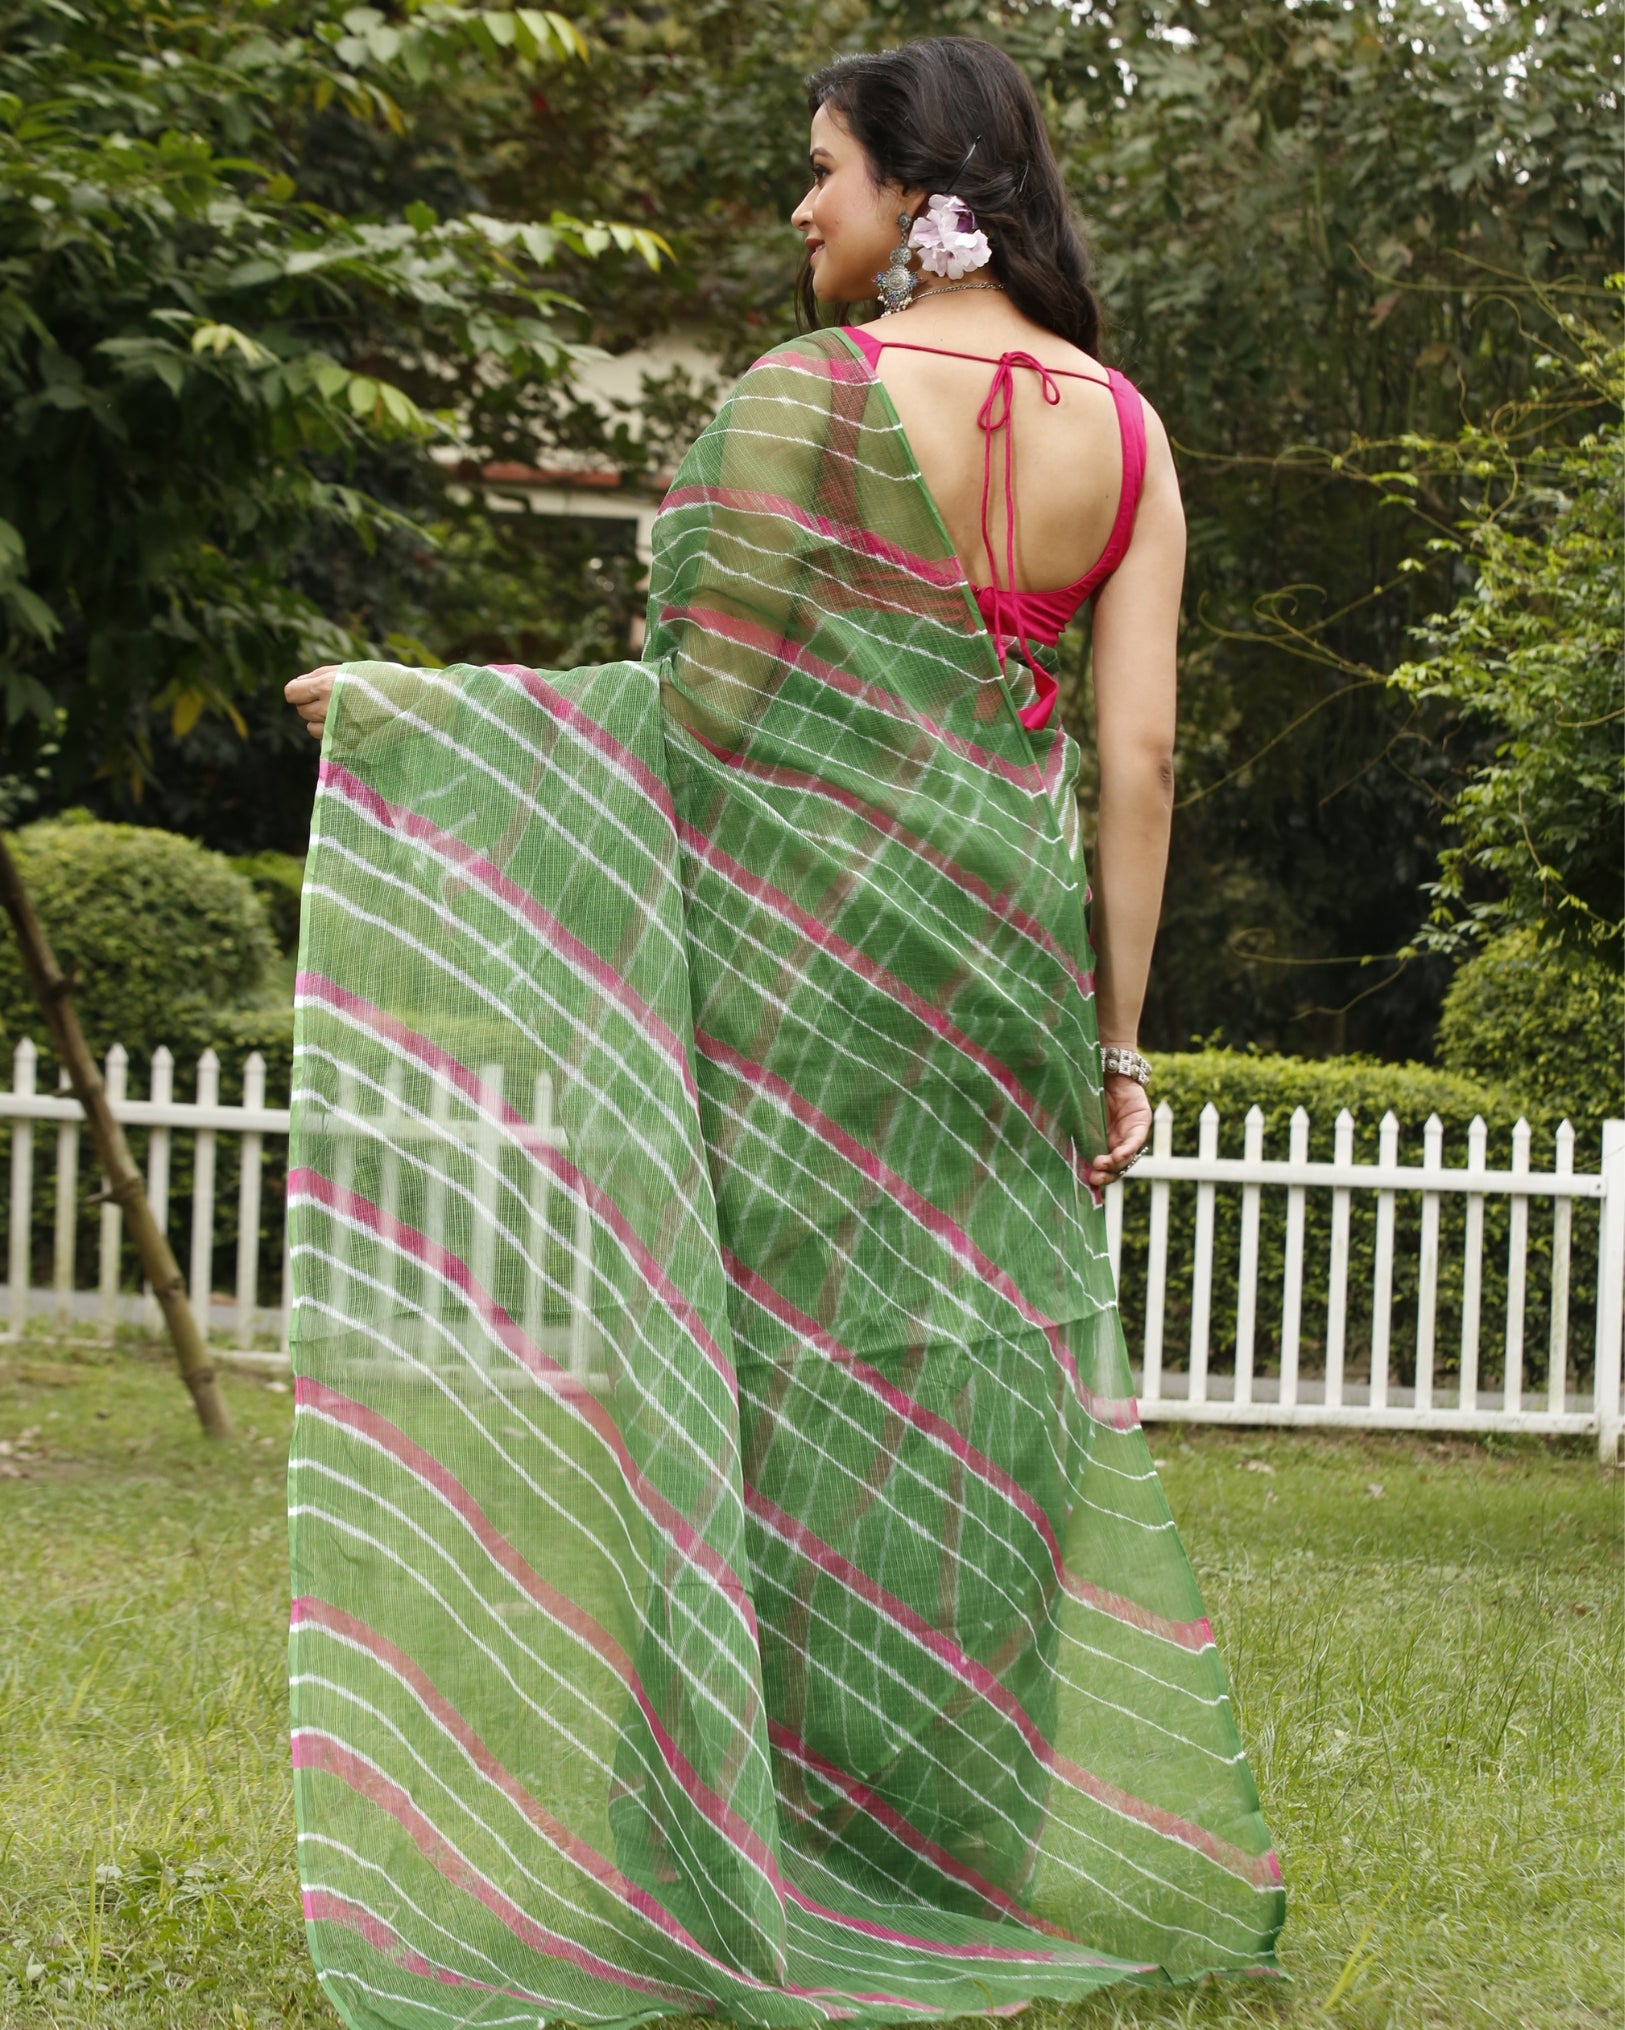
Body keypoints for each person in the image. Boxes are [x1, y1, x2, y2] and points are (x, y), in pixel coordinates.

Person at [283, 36, 1283, 2028]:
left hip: (806, 974)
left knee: (770, 1395)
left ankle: (755, 1861)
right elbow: (1142, 755)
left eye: (821, 169)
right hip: (999, 984)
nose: (800, 207)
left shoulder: (801, 401)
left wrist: (429, 716)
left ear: (918, 192)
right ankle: (940, 1856)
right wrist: (1116, 1040)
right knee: (975, 1410)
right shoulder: (1125, 425)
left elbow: (703, 715)